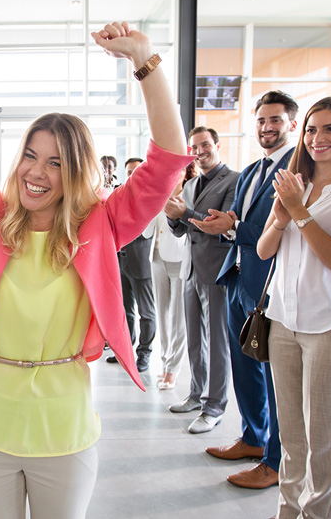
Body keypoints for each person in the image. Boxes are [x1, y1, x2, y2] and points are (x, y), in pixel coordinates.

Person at [0, 22, 192, 519]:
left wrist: (145, 60)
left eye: (55, 162)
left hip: (64, 422)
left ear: (75, 170)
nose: (36, 172)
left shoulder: (102, 223)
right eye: (30, 155)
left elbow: (167, 162)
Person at [257, 96, 331, 519]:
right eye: (310, 129)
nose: (317, 138)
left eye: (330, 129)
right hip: (284, 321)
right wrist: (284, 215)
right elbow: (266, 249)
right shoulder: (294, 183)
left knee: (324, 441)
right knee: (292, 437)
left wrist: (298, 212)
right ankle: (287, 512)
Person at [192, 90, 299, 489]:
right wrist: (224, 223)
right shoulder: (254, 169)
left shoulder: (298, 168)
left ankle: (276, 461)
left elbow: (282, 228)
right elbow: (240, 222)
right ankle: (254, 439)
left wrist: (233, 227)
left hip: (270, 281)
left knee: (274, 375)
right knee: (245, 365)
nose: (267, 127)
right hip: (237, 275)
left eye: (275, 120)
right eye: (261, 121)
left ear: (292, 123)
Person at [165, 126, 238, 434]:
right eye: (194, 147)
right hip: (191, 269)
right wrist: (173, 214)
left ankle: (215, 406)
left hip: (217, 270)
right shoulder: (191, 183)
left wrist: (185, 212)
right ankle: (196, 394)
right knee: (195, 338)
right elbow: (181, 230)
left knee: (218, 342)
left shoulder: (235, 180)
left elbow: (221, 226)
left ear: (217, 145)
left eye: (205, 145)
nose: (199, 151)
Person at [148, 161, 194, 390]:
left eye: (179, 169)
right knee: (162, 316)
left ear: (185, 171)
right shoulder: (159, 192)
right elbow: (148, 227)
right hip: (156, 257)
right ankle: (165, 362)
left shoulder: (190, 193)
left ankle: (173, 369)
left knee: (178, 318)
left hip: (179, 258)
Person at [108, 157, 156, 372]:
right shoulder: (119, 194)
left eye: (137, 170)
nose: (132, 175)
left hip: (142, 260)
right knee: (125, 311)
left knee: (146, 312)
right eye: (129, 171)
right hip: (121, 260)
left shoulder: (151, 196)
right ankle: (126, 352)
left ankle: (144, 354)